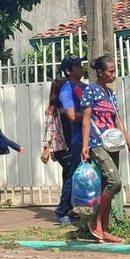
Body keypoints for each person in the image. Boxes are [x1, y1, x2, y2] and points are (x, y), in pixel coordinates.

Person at [81, 55, 130, 243]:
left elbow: (117, 121)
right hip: (97, 143)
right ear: (100, 72)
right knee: (115, 181)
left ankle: (103, 230)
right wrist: (84, 146)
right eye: (110, 71)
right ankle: (94, 219)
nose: (114, 74)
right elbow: (86, 119)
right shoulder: (91, 90)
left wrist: (129, 144)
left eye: (114, 71)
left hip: (113, 143)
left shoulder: (110, 94)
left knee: (108, 186)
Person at [57, 55, 88, 224]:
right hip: (77, 139)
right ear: (69, 71)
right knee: (73, 175)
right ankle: (62, 210)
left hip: (93, 137)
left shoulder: (86, 87)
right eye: (77, 66)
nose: (81, 68)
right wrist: (91, 114)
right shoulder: (66, 89)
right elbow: (71, 115)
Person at [41, 79, 71, 223]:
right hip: (60, 148)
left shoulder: (68, 105)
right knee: (70, 177)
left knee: (68, 177)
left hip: (69, 146)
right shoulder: (52, 109)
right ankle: (62, 211)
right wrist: (45, 150)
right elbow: (49, 130)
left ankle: (68, 208)